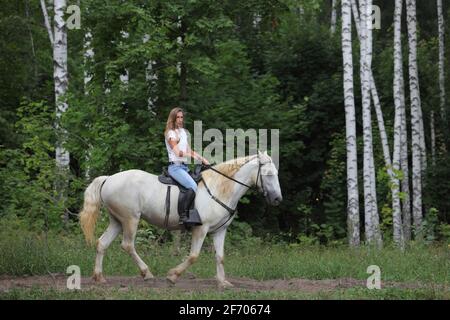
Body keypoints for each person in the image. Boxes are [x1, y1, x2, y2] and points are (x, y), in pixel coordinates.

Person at [164, 107, 209, 225]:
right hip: (175, 167)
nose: (180, 119)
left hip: (184, 167)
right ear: (173, 118)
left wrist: (202, 158)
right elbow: (178, 152)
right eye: (177, 117)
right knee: (192, 186)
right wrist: (192, 156)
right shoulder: (170, 133)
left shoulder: (183, 132)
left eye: (181, 117)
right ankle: (183, 216)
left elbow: (189, 150)